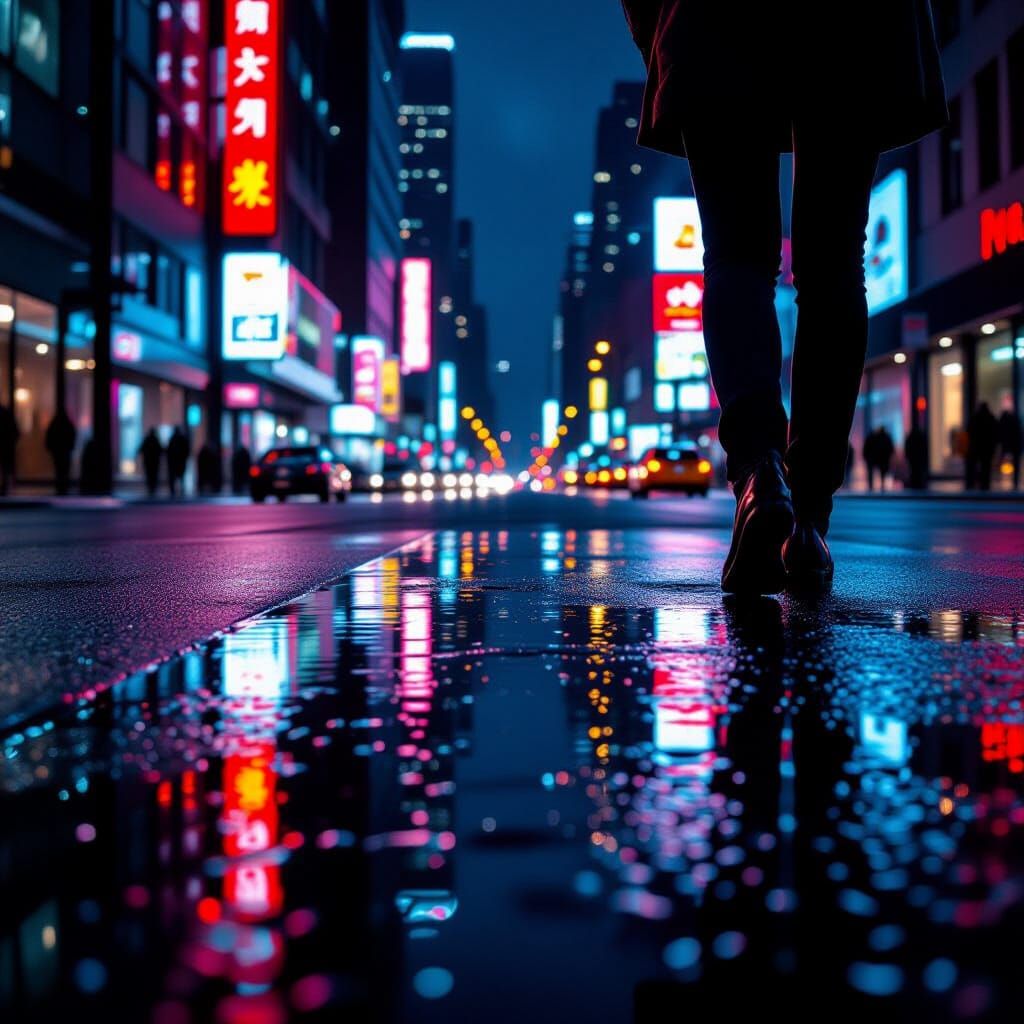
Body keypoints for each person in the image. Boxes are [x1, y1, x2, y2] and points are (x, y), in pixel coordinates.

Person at [620, 1, 947, 592]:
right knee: (833, 270)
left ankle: (757, 476)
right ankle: (810, 519)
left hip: (712, 22)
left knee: (737, 259)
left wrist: (662, 32)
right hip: (857, 26)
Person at [966, 401, 998, 491]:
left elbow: (969, 430)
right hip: (987, 447)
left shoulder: (975, 418)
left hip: (976, 446)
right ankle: (985, 484)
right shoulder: (991, 418)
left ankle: (971, 484)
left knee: (974, 465)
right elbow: (995, 432)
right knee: (986, 467)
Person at [45, 408, 77, 496]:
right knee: (64, 470)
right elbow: (72, 435)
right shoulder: (68, 424)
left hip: (58, 451)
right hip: (65, 451)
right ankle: (64, 487)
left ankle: (60, 487)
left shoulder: (54, 424)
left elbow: (49, 436)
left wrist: (50, 447)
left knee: (59, 470)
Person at [997, 408, 1022, 490]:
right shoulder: (1015, 422)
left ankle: (1001, 478)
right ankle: (1015, 480)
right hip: (1014, 445)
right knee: (1014, 463)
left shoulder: (1004, 422)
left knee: (1004, 461)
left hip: (1008, 445)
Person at [139, 428, 164, 497]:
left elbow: (141, 449)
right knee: (153, 475)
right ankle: (152, 488)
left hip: (149, 461)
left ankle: (151, 488)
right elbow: (161, 450)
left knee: (150, 475)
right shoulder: (156, 440)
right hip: (154, 462)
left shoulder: (148, 440)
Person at [0, 402, 18, 496]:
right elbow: (15, 431)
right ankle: (5, 487)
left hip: (5, 446)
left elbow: (14, 431)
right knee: (6, 468)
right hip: (6, 446)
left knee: (5, 467)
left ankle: (5, 487)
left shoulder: (6, 414)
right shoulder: (7, 414)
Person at [166, 427, 190, 498]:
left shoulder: (173, 439)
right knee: (179, 477)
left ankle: (175, 490)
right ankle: (177, 490)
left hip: (177, 462)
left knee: (177, 477)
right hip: (178, 462)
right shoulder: (176, 439)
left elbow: (186, 450)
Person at [904, 423, 929, 491]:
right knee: (917, 471)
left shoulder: (910, 437)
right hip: (917, 458)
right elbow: (924, 448)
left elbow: (907, 448)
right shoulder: (920, 437)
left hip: (913, 458)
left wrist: (907, 456)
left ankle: (915, 483)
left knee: (914, 470)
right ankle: (918, 483)